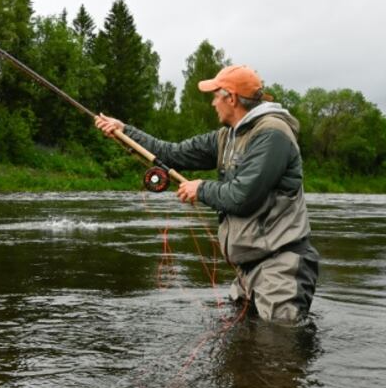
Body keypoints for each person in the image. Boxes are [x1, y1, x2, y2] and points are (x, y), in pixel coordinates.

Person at [94, 65, 319, 323]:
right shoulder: (227, 136)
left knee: (280, 349)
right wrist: (124, 131)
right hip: (247, 269)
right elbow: (172, 153)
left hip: (281, 267)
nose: (213, 103)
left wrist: (200, 188)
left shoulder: (272, 134)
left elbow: (242, 197)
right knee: (245, 347)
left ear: (231, 98)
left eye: (216, 96)